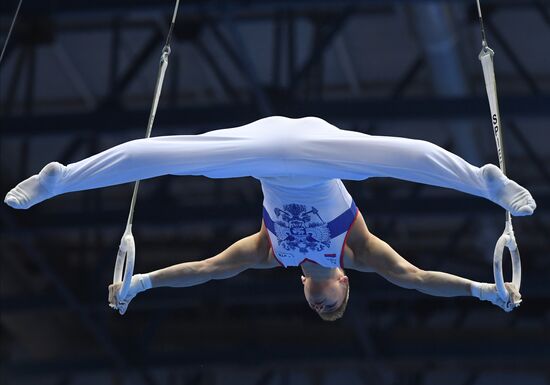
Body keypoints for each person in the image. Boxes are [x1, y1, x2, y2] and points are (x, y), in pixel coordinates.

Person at [5, 116, 533, 320]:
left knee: (170, 155)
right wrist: (482, 291)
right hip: (323, 152)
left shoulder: (270, 252)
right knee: (399, 156)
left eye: (317, 306)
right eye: (333, 304)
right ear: (344, 281)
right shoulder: (354, 250)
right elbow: (417, 279)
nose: (322, 303)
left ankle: (63, 177)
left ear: (305, 289)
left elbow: (206, 268)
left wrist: (141, 282)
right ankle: (481, 179)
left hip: (259, 149)